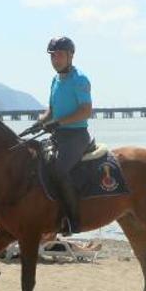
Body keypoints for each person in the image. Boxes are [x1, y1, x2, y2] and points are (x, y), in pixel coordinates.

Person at [36, 36, 93, 236]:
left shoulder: (80, 79)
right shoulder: (55, 80)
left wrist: (59, 122)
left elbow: (86, 111)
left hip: (76, 136)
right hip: (58, 134)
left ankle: (73, 220)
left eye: (60, 55)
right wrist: (40, 122)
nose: (55, 59)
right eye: (52, 56)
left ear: (70, 56)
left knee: (59, 169)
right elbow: (51, 111)